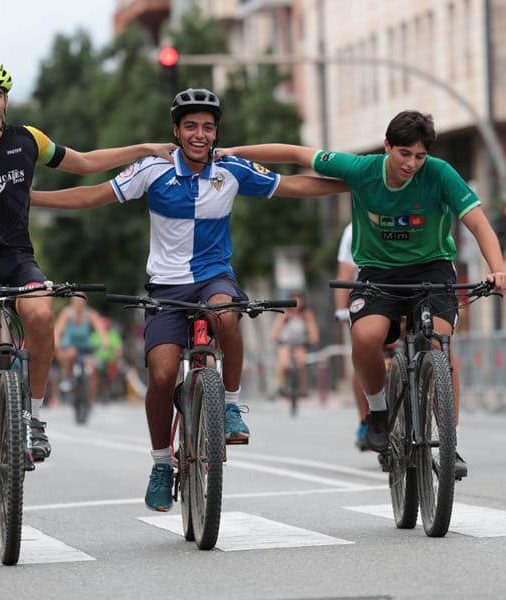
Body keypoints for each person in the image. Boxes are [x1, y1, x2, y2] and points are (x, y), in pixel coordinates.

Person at [31, 88, 349, 511]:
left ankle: (232, 406)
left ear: (216, 133)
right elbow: (91, 195)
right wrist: (29, 199)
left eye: (209, 127)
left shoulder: (232, 169)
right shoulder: (152, 170)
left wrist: (360, 183)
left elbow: (295, 185)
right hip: (165, 286)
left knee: (226, 316)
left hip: (215, 277)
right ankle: (162, 464)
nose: (200, 134)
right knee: (162, 375)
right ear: (176, 132)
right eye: (192, 126)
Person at [0, 58, 177, 519]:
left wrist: (144, 149)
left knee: (39, 314)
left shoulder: (28, 141)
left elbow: (85, 162)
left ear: (5, 100)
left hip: (18, 262)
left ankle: (31, 418)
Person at [217, 110, 506, 480]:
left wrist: (497, 269)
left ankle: (449, 442)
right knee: (365, 336)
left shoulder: (440, 174)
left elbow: (478, 223)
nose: (411, 164)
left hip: (432, 269)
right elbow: (296, 154)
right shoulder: (361, 169)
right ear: (388, 146)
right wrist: (231, 151)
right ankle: (377, 410)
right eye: (404, 153)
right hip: (378, 273)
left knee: (441, 346)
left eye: (419, 157)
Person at [334, 223, 372, 450]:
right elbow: (345, 273)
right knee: (362, 358)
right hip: (365, 299)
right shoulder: (352, 230)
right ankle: (365, 420)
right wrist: (341, 310)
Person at [53, 295, 109, 407]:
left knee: (93, 370)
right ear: (72, 302)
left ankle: (90, 402)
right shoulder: (67, 313)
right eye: (76, 300)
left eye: (81, 300)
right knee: (71, 353)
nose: (78, 303)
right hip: (70, 345)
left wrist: (104, 341)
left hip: (86, 347)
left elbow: (100, 328)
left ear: (85, 302)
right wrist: (56, 341)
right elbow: (58, 330)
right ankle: (68, 377)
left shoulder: (90, 314)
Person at [270, 292, 319, 400]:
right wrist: (277, 337)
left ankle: (302, 390)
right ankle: (281, 387)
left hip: (300, 343)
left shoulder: (306, 314)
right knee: (283, 362)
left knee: (301, 363)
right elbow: (275, 331)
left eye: (299, 300)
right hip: (285, 343)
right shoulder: (285, 313)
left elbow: (313, 330)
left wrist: (311, 340)